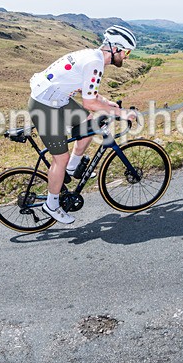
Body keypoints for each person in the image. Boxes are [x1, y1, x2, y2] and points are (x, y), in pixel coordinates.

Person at [28, 25, 138, 224]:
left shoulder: (92, 56)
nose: (126, 57)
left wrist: (106, 104)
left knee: (89, 124)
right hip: (44, 106)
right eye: (127, 52)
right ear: (115, 49)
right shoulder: (95, 63)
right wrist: (121, 113)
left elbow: (88, 91)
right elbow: (89, 102)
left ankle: (72, 168)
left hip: (57, 99)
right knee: (59, 159)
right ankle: (51, 205)